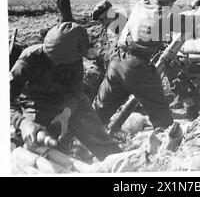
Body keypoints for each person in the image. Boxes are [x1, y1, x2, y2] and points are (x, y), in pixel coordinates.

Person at [92, 0, 200, 130]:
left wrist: (193, 4)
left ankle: (77, 139)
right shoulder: (164, 18)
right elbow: (194, 20)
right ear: (171, 0)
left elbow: (169, 9)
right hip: (136, 67)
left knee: (100, 108)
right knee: (161, 116)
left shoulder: (142, 3)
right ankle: (169, 147)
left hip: (117, 59)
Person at [10, 22, 121, 161]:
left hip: (65, 101)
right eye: (53, 60)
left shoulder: (74, 59)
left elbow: (77, 90)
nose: (56, 64)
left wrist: (66, 113)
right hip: (35, 103)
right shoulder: (29, 59)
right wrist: (22, 122)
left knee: (95, 133)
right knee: (33, 142)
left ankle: (121, 163)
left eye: (61, 62)